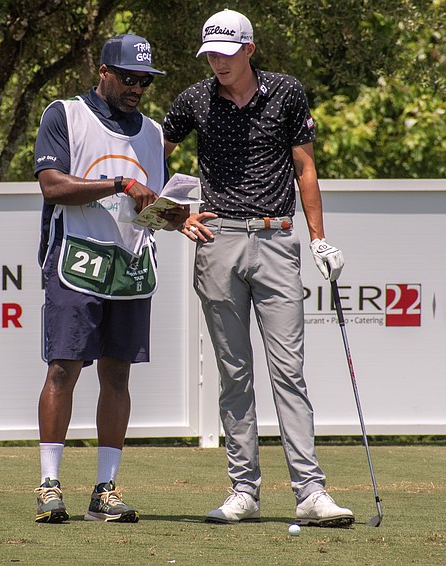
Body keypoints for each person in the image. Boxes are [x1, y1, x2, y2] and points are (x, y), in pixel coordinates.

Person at [163, 9, 354, 527]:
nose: (218, 62)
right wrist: (175, 215)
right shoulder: (194, 99)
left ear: (249, 49)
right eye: (211, 54)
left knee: (288, 370)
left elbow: (305, 167)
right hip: (218, 241)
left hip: (276, 240)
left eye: (226, 52)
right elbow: (152, 160)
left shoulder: (287, 93)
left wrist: (318, 238)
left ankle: (310, 492)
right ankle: (243, 491)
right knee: (234, 372)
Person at [32, 33, 187, 524]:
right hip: (76, 259)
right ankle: (49, 484)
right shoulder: (64, 115)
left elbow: (151, 205)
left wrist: (182, 219)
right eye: (128, 78)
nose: (137, 87)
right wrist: (120, 183)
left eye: (144, 80)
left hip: (130, 264)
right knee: (63, 368)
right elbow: (53, 187)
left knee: (117, 375)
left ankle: (105, 490)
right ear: (103, 72)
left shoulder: (152, 133)